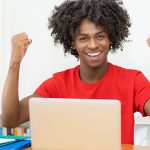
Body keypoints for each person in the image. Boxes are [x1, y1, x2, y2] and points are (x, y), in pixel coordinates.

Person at [1, 0, 150, 145]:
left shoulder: (133, 80)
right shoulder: (57, 84)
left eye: (100, 36)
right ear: (72, 42)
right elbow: (10, 120)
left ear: (110, 38)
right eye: (83, 38)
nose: (93, 45)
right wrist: (15, 63)